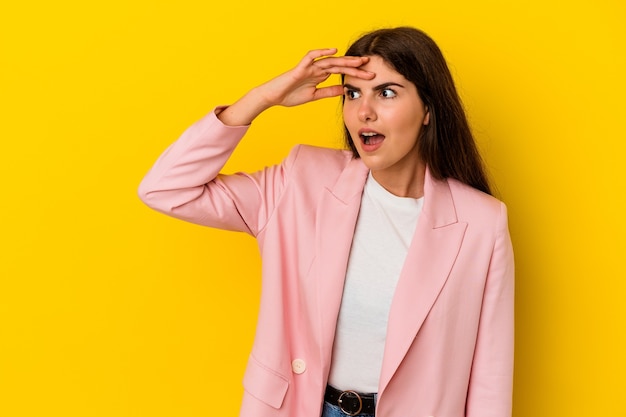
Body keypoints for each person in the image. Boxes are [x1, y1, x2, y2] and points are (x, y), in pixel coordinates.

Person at [138, 27, 514, 417]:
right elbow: (165, 189)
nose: (363, 111)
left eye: (386, 92)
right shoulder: (302, 181)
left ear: (428, 111)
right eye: (353, 93)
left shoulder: (481, 224)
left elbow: (489, 381)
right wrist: (260, 100)